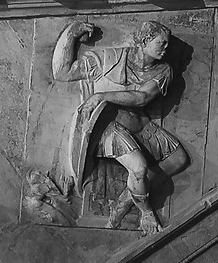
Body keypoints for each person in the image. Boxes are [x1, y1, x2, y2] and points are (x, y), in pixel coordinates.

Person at [51, 19, 188, 231]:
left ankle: (128, 195)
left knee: (179, 158)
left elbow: (141, 98)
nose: (166, 48)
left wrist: (101, 96)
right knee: (139, 168)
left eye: (167, 44)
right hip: (108, 128)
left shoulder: (163, 71)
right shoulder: (109, 60)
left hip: (140, 125)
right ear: (144, 42)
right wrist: (71, 35)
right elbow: (63, 73)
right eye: (161, 43)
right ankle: (146, 212)